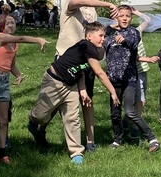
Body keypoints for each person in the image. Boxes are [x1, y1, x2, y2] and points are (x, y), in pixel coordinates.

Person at [27, 21, 118, 165]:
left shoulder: (89, 50)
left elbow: (80, 71)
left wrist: (83, 91)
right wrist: (113, 91)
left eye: (104, 36)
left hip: (71, 85)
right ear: (89, 36)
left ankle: (76, 153)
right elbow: (100, 73)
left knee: (72, 118)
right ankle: (33, 120)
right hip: (54, 81)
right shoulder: (87, 46)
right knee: (40, 116)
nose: (103, 39)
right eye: (100, 35)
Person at [0, 13, 49, 164]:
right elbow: (21, 38)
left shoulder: (14, 44)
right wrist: (37, 39)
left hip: (3, 82)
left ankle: (1, 155)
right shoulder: (0, 37)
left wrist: (18, 75)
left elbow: (11, 64)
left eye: (13, 23)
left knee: (4, 120)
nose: (11, 25)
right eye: (7, 23)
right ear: (1, 25)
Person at [55, 0, 117, 152]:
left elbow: (94, 32)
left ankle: (90, 141)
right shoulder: (69, 3)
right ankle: (39, 125)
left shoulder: (91, 10)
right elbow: (81, 2)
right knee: (62, 102)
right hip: (66, 60)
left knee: (87, 99)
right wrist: (108, 4)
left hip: (85, 60)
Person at [104, 5, 161, 152]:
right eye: (121, 15)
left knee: (130, 111)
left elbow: (133, 44)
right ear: (116, 17)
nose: (124, 18)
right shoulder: (110, 36)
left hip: (129, 79)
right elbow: (100, 40)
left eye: (127, 16)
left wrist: (123, 41)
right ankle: (118, 140)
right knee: (115, 113)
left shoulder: (133, 32)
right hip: (113, 80)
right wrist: (110, 28)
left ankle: (152, 139)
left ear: (131, 18)